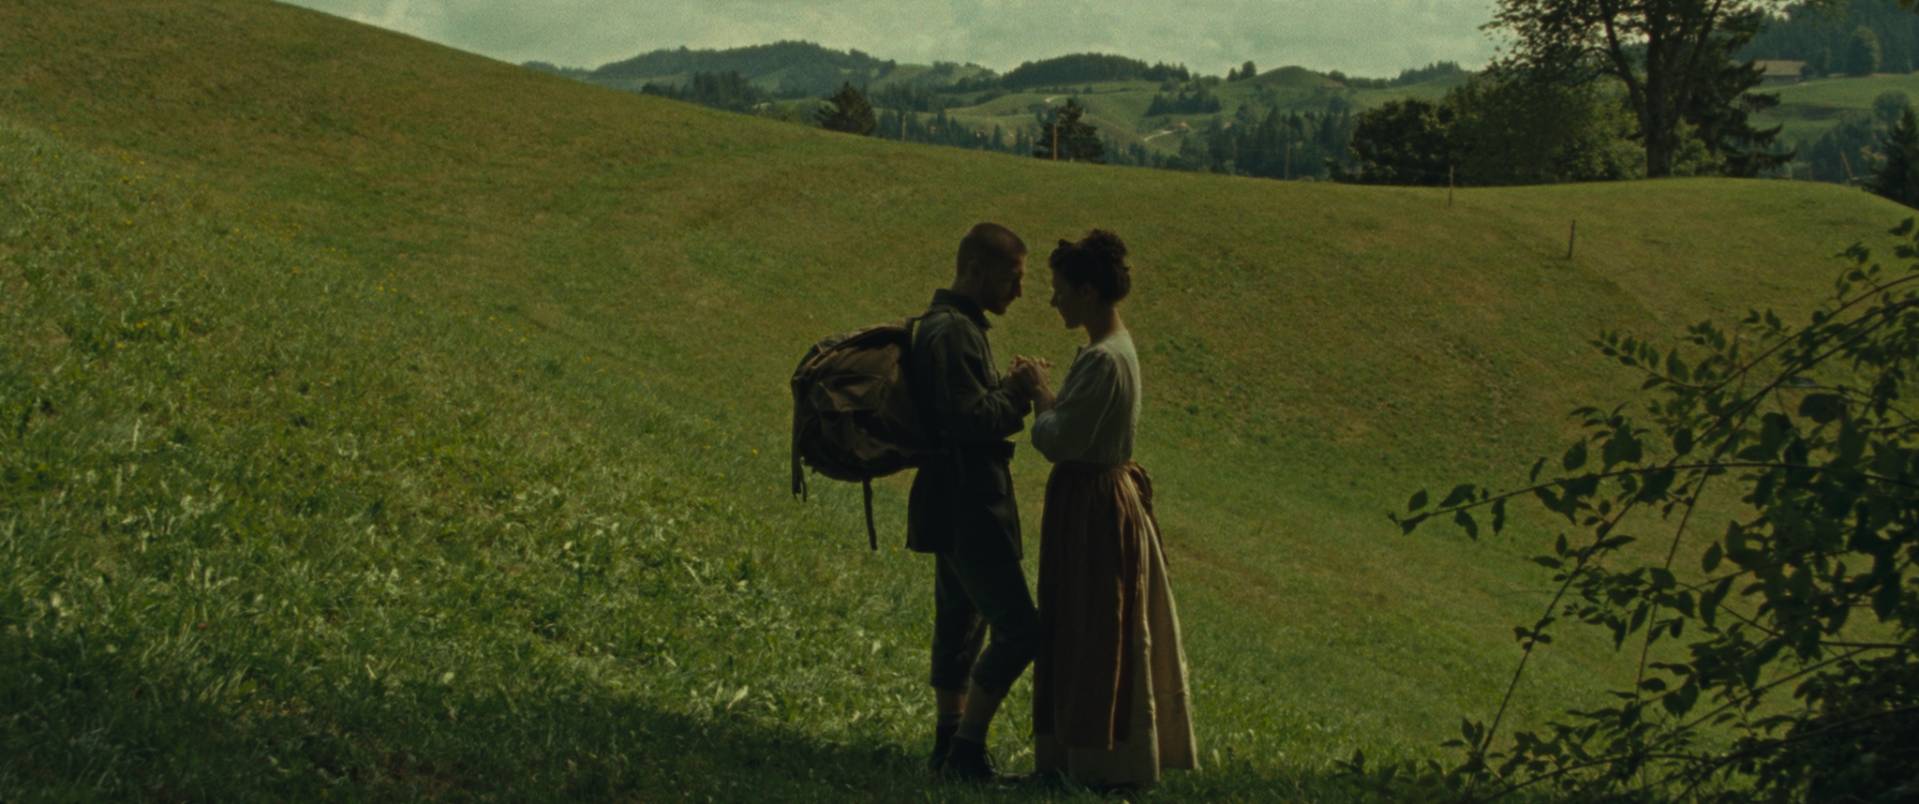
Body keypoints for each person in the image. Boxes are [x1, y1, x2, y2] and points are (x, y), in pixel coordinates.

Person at [1014, 230, 1197, 791]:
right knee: (1086, 623)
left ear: (1088, 292)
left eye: (1060, 289)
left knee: (1093, 628)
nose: (1054, 301)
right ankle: (1080, 758)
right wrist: (1051, 394)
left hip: (1094, 509)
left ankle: (1099, 764)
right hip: (1092, 501)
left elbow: (1061, 439)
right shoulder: (1110, 350)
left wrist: (1038, 393)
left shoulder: (1105, 361)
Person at [905, 222, 1042, 782]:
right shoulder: (956, 333)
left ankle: (947, 743)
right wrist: (1021, 390)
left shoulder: (942, 326)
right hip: (971, 503)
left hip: (949, 499)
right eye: (1013, 278)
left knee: (960, 621)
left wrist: (1002, 389)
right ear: (977, 270)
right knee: (1021, 630)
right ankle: (965, 750)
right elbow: (971, 419)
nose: (1020, 292)